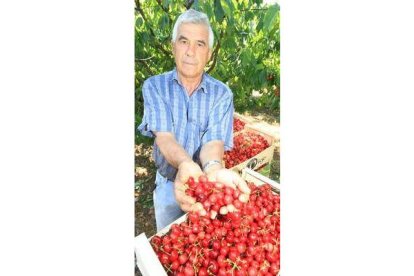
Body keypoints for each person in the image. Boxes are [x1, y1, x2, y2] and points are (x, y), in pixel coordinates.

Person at [138, 9, 250, 231]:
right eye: (183, 41)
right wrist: (185, 164)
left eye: (200, 44)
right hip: (169, 186)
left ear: (208, 53)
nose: (191, 51)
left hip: (207, 186)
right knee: (170, 238)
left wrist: (213, 170)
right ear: (173, 47)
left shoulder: (222, 94)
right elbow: (165, 136)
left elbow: (214, 141)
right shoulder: (154, 86)